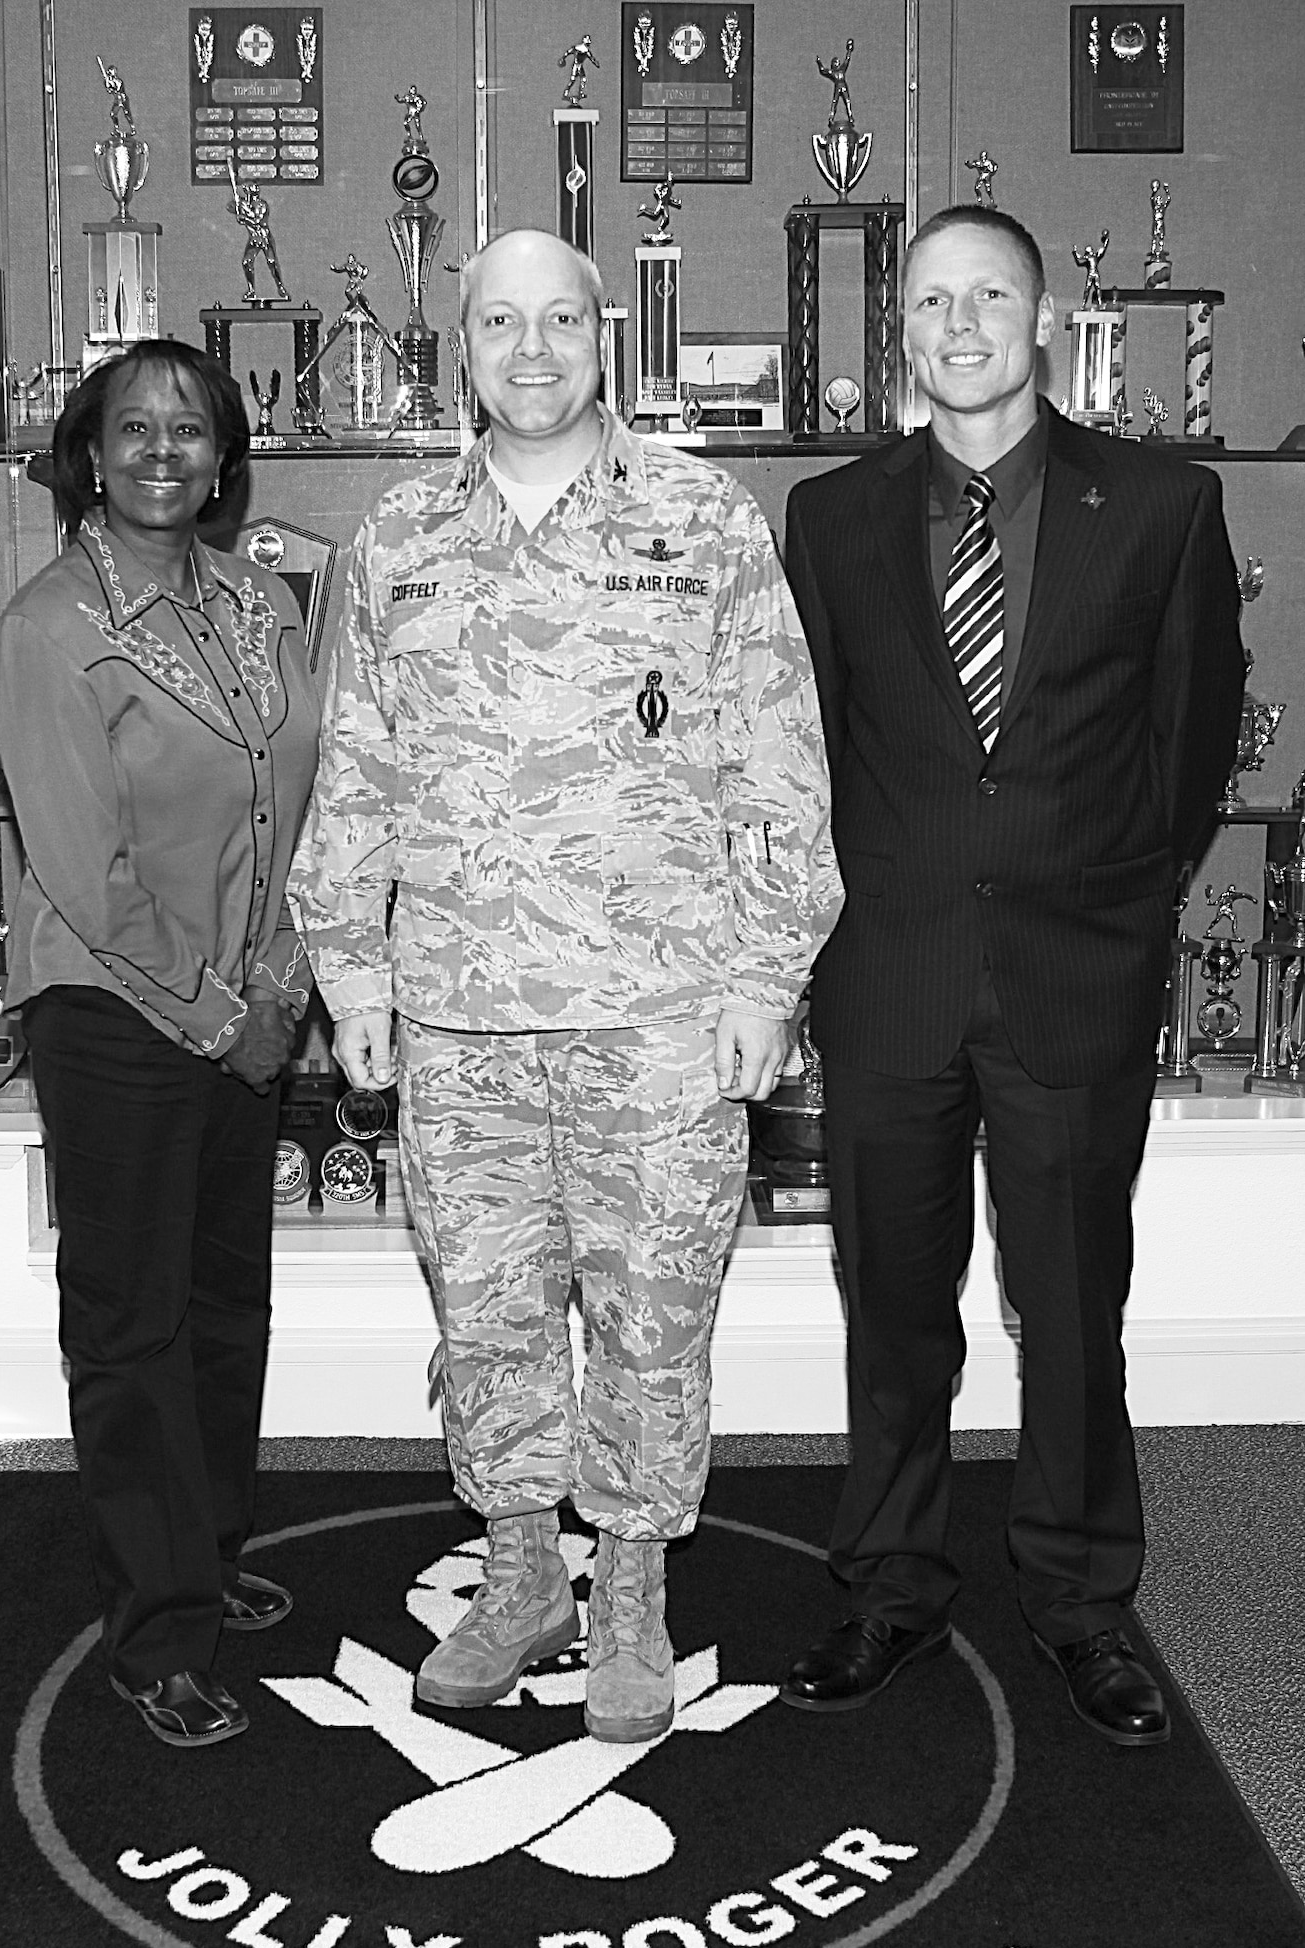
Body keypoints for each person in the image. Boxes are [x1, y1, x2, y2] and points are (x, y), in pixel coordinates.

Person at [292, 228, 840, 1745]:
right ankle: (525, 1572)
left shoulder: (701, 520)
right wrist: (352, 968)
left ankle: (638, 1591)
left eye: (558, 320)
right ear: (456, 347)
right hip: (460, 1018)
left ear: (606, 334)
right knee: (487, 1316)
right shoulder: (400, 534)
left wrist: (766, 973)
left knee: (655, 1315)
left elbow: (776, 764)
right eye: (496, 323)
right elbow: (359, 769)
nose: (529, 349)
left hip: (659, 1019)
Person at [778, 206, 1246, 1745]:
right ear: (897, 331)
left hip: (1072, 981)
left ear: (1040, 319)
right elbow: (815, 751)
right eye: (929, 300)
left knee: (1068, 1303)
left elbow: (1187, 745)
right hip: (889, 979)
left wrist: (1121, 902)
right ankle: (891, 1586)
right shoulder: (831, 518)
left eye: (987, 294)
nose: (957, 322)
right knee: (892, 1306)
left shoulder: (1163, 506)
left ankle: (1080, 1603)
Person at [0, 338, 321, 1747]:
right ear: (90, 449)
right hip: (122, 1016)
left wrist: (283, 977)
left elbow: (307, 795)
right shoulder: (50, 625)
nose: (164, 450)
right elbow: (84, 868)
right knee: (132, 1329)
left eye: (192, 426)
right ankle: (156, 1632)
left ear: (227, 452)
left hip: (250, 1004)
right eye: (136, 428)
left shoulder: (257, 600)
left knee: (225, 1304)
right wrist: (219, 1016)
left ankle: (211, 1553)